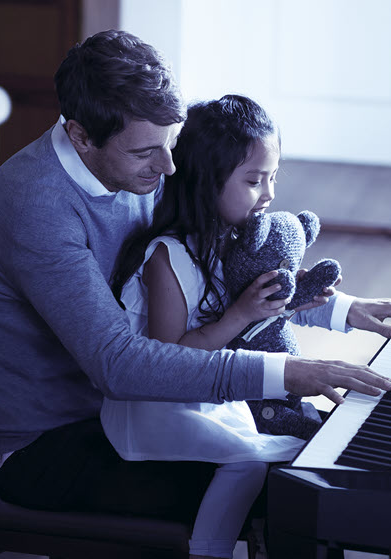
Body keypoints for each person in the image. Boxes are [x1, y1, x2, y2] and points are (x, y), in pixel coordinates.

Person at [0, 28, 391, 542]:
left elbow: (221, 275)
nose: (169, 167)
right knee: (302, 486)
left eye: (171, 143)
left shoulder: (137, 167)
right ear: (80, 136)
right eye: (147, 152)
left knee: (326, 451)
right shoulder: (36, 206)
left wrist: (340, 308)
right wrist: (286, 372)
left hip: (139, 408)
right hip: (50, 443)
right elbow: (120, 367)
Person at [101, 94, 349, 558]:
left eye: (273, 177)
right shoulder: (168, 256)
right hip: (159, 408)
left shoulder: (225, 241)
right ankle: (209, 550)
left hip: (208, 392)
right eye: (254, 180)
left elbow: (256, 309)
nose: (270, 194)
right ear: (206, 181)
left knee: (298, 444)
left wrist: (299, 304)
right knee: (251, 460)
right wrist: (240, 315)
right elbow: (168, 359)